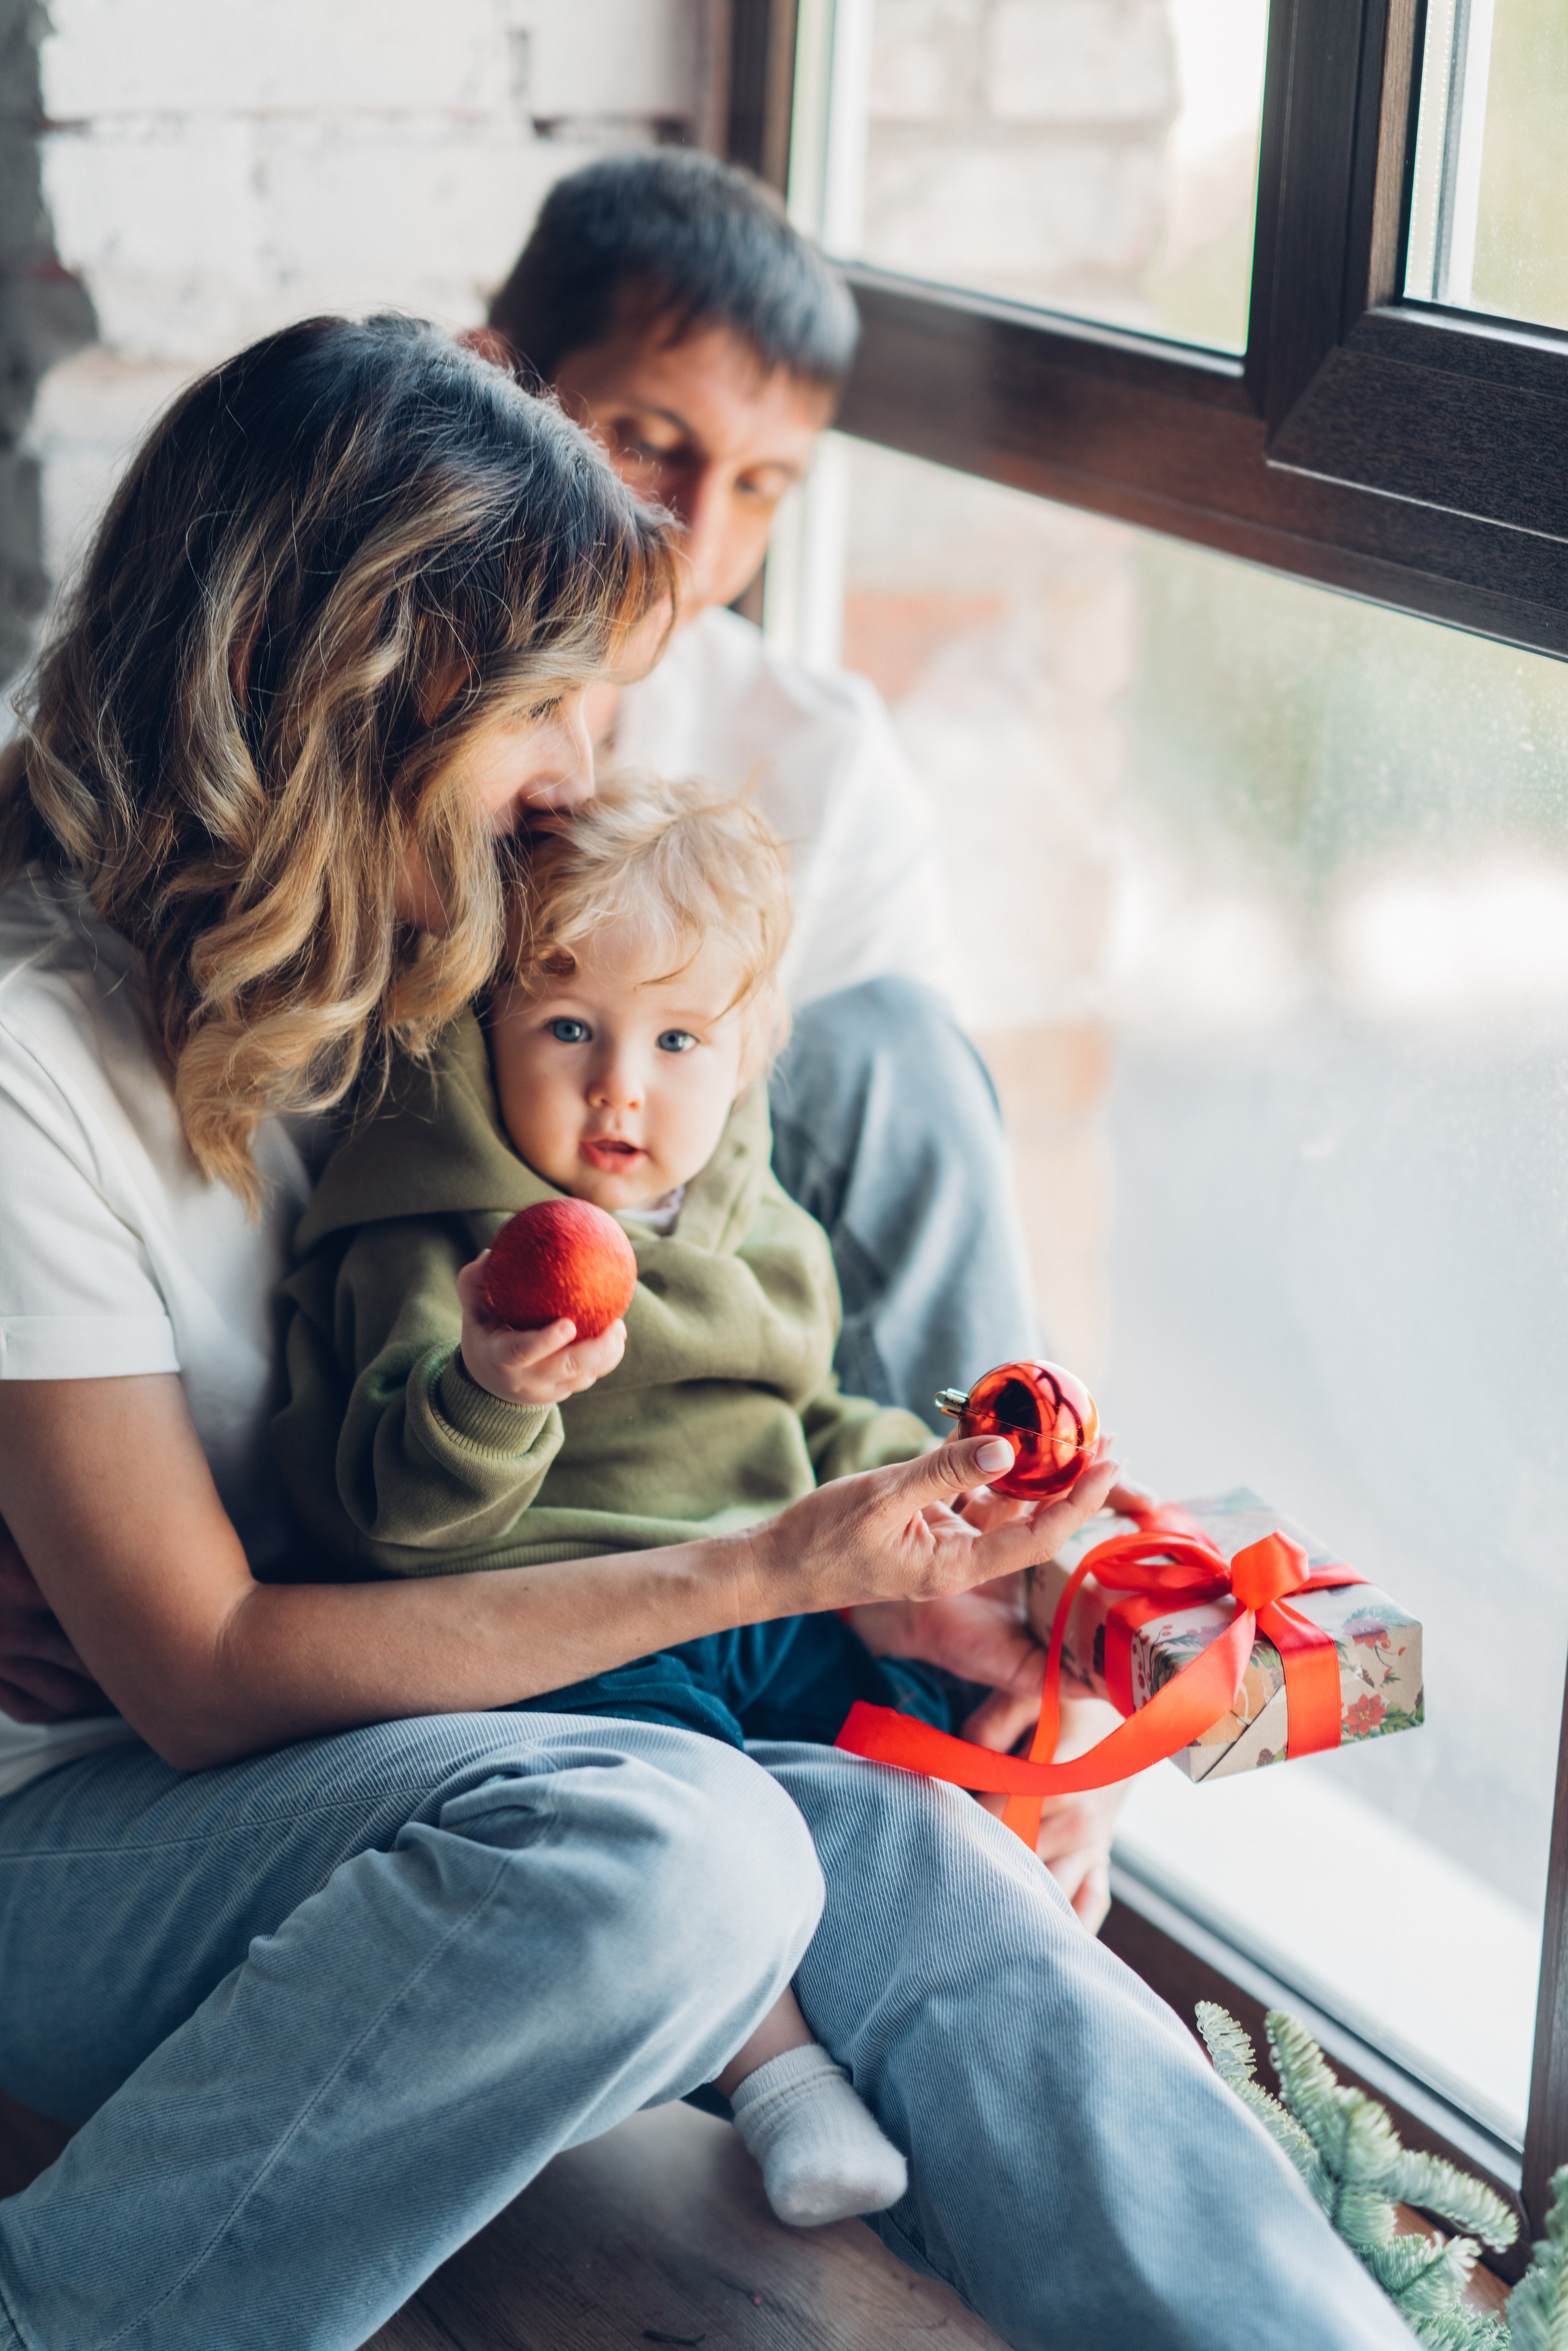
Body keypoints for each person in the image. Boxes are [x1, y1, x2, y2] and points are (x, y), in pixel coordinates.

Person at [0, 314, 1417, 2351]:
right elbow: (205, 1680)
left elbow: (741, 1068)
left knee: (915, 1858)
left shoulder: (402, 949)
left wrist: (915, 1548)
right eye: (547, 708)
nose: (579, 770)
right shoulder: (43, 1060)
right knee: (695, 1847)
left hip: (441, 1736)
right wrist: (769, 1562)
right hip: (91, 1833)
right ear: (369, 681)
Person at [274, 775, 975, 2228]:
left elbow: (795, 1413)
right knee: (662, 1772)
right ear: (486, 1024)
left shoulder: (754, 1224)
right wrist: (488, 1386)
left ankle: (922, 1970)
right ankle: (772, 2069)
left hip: (761, 1588)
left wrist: (928, 1490)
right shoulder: (434, 1229)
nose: (619, 1088)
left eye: (675, 1040)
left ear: (747, 1050)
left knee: (912, 1716)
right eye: (566, 1028)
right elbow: (383, 1507)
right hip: (561, 1619)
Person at [489, 147, 1038, 1432]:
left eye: (759, 488)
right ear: (494, 382)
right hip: (435, 1271)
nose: (699, 540)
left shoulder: (818, 752)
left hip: (709, 1265)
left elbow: (896, 1132)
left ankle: (1000, 1496)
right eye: (646, 444)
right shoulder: (379, 695)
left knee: (894, 1040)